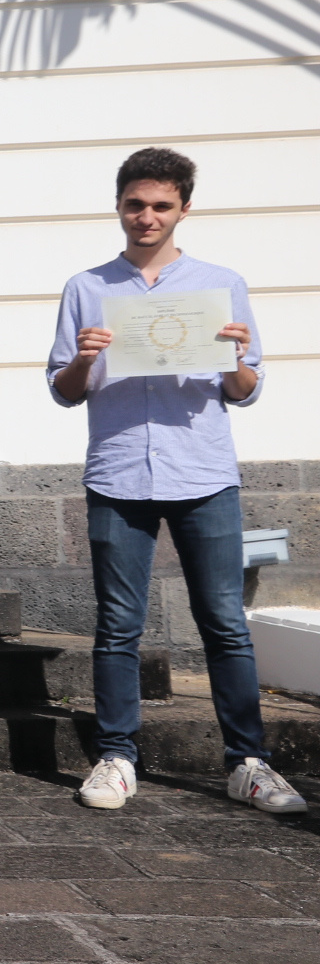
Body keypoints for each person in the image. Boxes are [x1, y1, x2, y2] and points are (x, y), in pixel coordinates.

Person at [49, 148, 305, 815]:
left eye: (162, 205)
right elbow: (64, 391)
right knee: (118, 624)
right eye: (136, 204)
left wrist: (229, 360)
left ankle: (248, 762)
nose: (147, 217)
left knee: (224, 621)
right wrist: (83, 360)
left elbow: (246, 388)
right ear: (119, 206)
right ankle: (116, 756)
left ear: (184, 208)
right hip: (119, 470)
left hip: (203, 470)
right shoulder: (87, 286)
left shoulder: (220, 284)